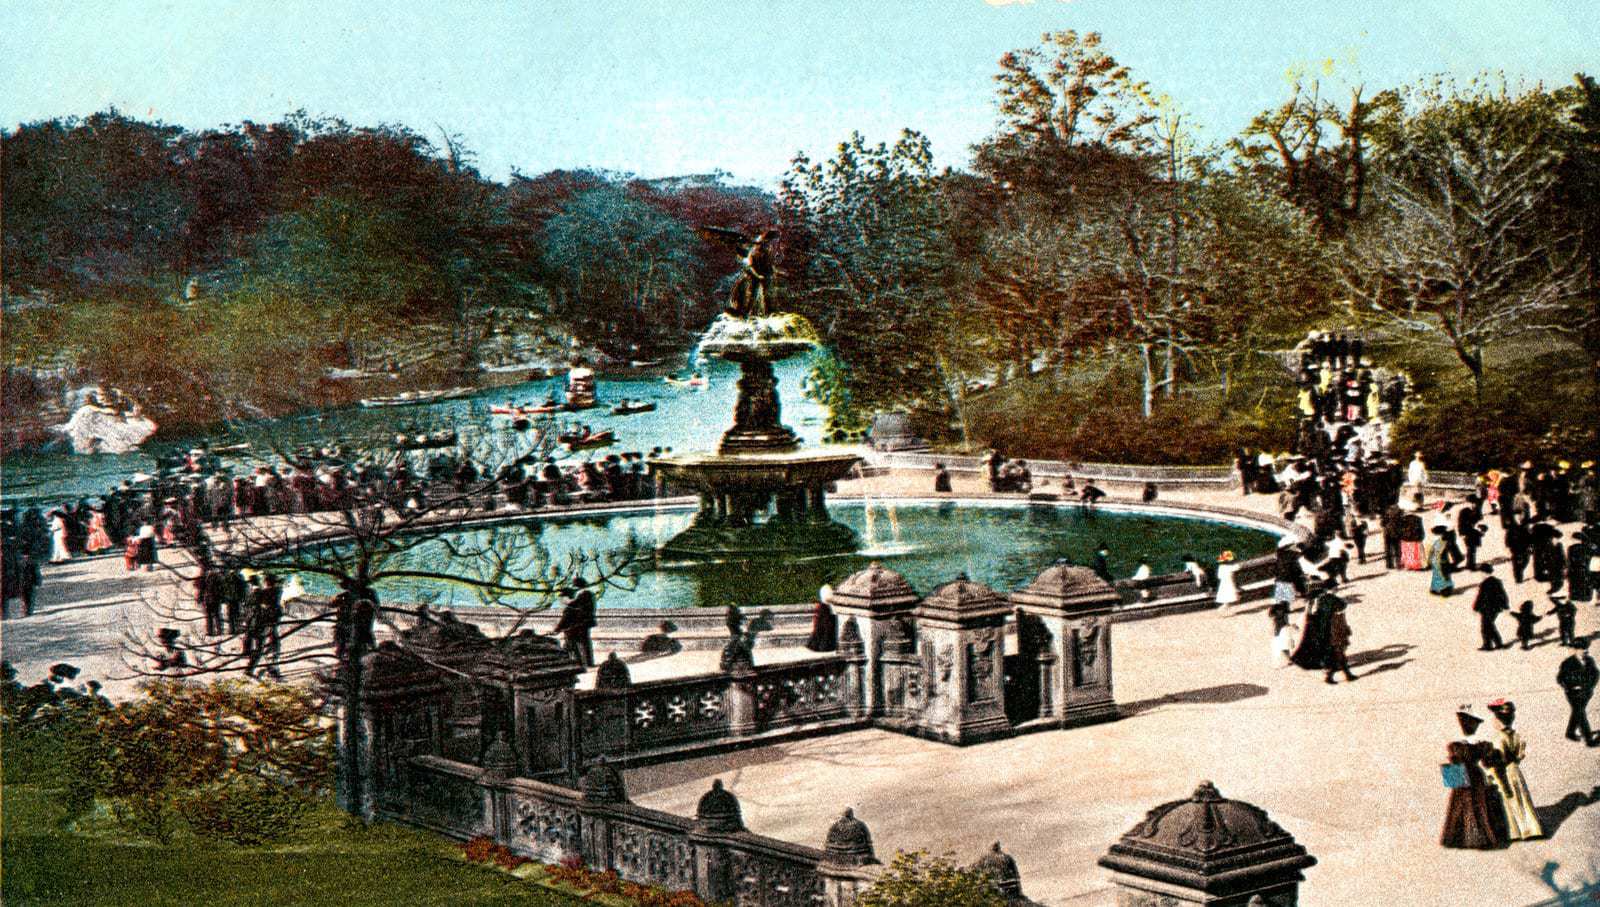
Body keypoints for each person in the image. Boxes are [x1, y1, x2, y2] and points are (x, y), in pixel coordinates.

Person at [1440, 706, 1509, 849]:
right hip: (1475, 776)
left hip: (1463, 775)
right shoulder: (1478, 744)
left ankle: (1461, 837)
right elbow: (1488, 760)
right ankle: (1480, 837)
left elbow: (1455, 760)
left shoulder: (1456, 745)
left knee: (1461, 803)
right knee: (1478, 804)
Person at [1484, 700, 1544, 841]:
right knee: (1522, 798)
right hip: (1515, 770)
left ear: (1498, 721)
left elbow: (1498, 760)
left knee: (1508, 799)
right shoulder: (1516, 736)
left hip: (1504, 772)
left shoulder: (1498, 739)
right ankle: (1531, 828)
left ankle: (1514, 831)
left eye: (1494, 718)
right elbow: (1520, 754)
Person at [1556, 640, 1598, 745]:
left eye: (1586, 648)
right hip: (1573, 694)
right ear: (1575, 650)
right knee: (1580, 713)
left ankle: (1570, 732)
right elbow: (1560, 678)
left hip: (1586, 693)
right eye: (1582, 649)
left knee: (1577, 712)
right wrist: (1571, 687)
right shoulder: (1567, 663)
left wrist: (1589, 686)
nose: (1585, 651)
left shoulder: (1590, 661)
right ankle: (1588, 739)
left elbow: (1596, 674)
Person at [553, 586, 597, 667]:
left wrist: (556, 629)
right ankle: (588, 663)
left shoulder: (570, 607)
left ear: (566, 598)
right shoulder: (577, 605)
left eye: (562, 598)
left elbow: (564, 620)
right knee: (584, 646)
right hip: (579, 628)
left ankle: (578, 664)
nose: (561, 600)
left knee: (572, 646)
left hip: (572, 631)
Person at [1472, 566, 1509, 651]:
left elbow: (1480, 597)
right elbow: (1502, 594)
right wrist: (1505, 605)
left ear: (1484, 573)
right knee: (1489, 626)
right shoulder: (1497, 581)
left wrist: (1476, 608)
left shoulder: (1484, 584)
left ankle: (1489, 645)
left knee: (1486, 627)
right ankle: (1496, 644)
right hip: (1495, 609)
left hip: (1486, 609)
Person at [1324, 598, 1356, 684]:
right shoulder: (1333, 618)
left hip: (1339, 640)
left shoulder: (1338, 615)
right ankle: (1329, 676)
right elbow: (1336, 630)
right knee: (1339, 659)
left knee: (1341, 660)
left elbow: (1343, 625)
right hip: (1336, 641)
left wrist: (1347, 630)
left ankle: (1348, 675)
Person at [1427, 527, 1454, 596]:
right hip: (1439, 561)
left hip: (1439, 561)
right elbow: (1433, 551)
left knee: (1440, 575)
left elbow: (1431, 551)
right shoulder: (1442, 542)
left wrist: (1429, 561)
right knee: (1440, 575)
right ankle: (1441, 589)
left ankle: (1440, 589)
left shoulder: (1440, 542)